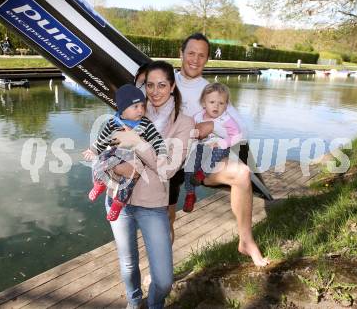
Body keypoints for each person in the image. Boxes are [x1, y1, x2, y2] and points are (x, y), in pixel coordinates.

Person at [172, 32, 270, 267]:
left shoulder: (212, 93)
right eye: (191, 53)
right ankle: (163, 271)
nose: (195, 59)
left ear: (207, 59)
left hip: (200, 160)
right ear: (181, 53)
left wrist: (213, 125)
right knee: (165, 215)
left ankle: (246, 241)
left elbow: (241, 131)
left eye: (201, 55)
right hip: (168, 159)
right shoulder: (166, 82)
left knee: (242, 173)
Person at [106, 60, 194, 308]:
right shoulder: (127, 113)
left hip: (153, 205)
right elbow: (106, 153)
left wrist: (136, 142)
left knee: (164, 280)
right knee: (128, 263)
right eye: (149, 85)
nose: (154, 91)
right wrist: (117, 170)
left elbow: (167, 170)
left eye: (162, 85)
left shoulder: (183, 123)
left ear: (172, 86)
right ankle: (134, 302)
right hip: (118, 199)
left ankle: (155, 304)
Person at [83, 84, 167, 222]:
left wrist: (162, 153)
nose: (141, 110)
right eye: (135, 107)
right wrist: (93, 149)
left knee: (128, 181)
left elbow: (157, 140)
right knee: (100, 160)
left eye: (142, 106)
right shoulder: (112, 122)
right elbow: (103, 139)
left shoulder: (146, 124)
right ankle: (99, 184)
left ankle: (118, 203)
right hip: (115, 154)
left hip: (134, 157)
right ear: (122, 108)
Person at [183, 82, 242, 212]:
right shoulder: (197, 117)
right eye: (212, 102)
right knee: (188, 168)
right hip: (201, 148)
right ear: (204, 103)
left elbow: (238, 135)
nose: (216, 106)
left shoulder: (226, 119)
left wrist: (223, 143)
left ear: (226, 106)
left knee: (217, 150)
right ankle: (190, 194)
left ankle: (202, 173)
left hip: (218, 148)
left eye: (221, 103)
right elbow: (189, 130)